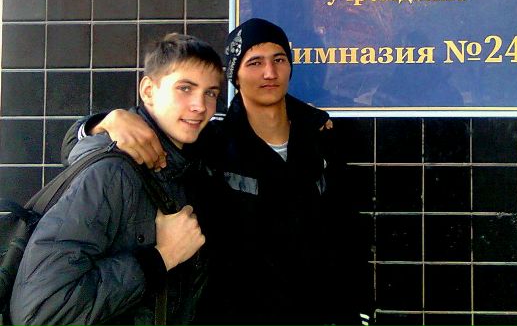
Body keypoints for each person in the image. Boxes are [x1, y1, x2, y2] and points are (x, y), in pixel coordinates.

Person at [62, 18, 370, 325]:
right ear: (235, 75)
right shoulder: (209, 141)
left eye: (279, 60)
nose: (269, 72)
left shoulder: (321, 139)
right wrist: (100, 124)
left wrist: (359, 308)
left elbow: (349, 231)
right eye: (255, 62)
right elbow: (78, 150)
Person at [10, 33, 224, 326]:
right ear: (148, 91)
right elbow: (40, 311)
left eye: (210, 93)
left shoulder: (185, 163)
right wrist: (160, 258)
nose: (200, 105)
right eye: (185, 88)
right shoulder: (112, 173)